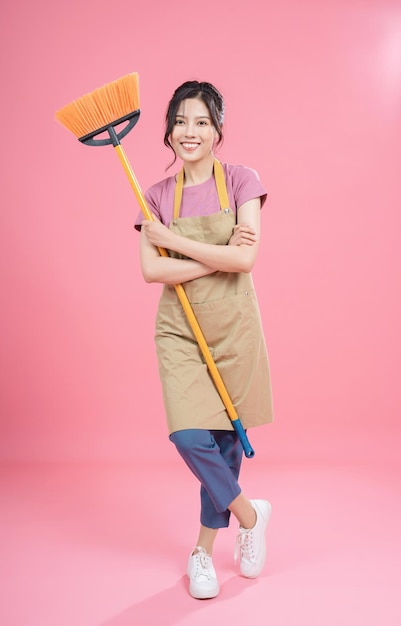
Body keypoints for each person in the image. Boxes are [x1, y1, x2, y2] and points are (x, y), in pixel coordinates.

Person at [135, 80, 274, 599]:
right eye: (180, 121)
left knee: (224, 444)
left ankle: (202, 553)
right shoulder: (153, 195)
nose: (189, 132)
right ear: (168, 129)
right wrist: (213, 257)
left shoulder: (241, 179)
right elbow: (152, 273)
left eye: (201, 122)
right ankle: (249, 514)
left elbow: (246, 260)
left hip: (233, 323)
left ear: (218, 130)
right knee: (190, 435)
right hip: (179, 327)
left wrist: (173, 244)